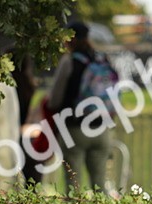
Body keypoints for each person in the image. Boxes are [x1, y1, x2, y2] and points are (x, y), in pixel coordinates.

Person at [47, 21, 116, 193]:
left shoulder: (69, 62)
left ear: (70, 39)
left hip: (74, 129)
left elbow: (54, 100)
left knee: (74, 185)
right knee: (100, 184)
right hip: (102, 128)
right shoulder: (102, 59)